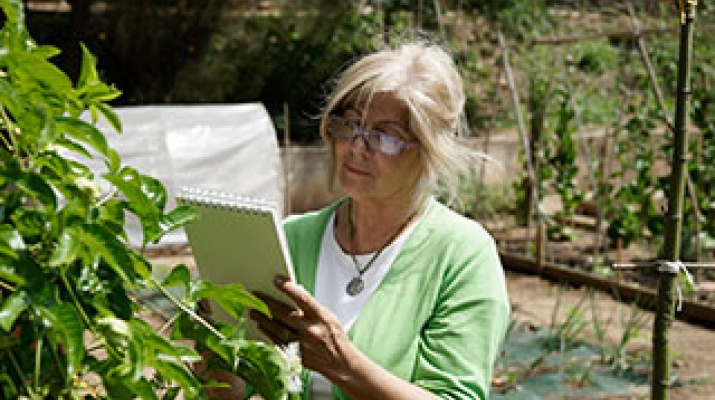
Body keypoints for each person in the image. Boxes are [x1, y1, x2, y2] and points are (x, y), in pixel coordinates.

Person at [250, 39, 510, 400]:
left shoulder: (461, 254)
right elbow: (237, 388)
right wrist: (215, 344)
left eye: (385, 136)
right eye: (350, 125)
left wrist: (344, 364)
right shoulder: (290, 239)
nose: (357, 146)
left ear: (428, 151)